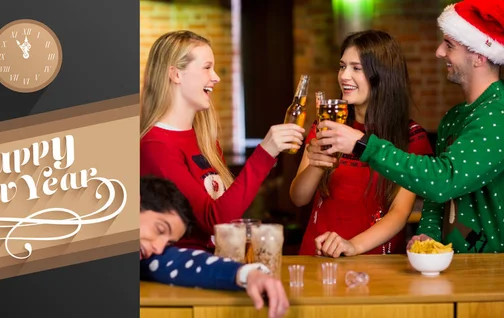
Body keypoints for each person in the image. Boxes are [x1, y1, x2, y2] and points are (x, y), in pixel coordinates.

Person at [313, 0, 504, 254]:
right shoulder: (454, 117)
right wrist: (427, 234)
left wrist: (362, 144)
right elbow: (437, 199)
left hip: (492, 274)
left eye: (449, 45)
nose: (439, 52)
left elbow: (443, 179)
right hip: (455, 269)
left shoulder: (498, 113)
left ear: (479, 56)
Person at [140, 30, 305, 252]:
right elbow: (214, 218)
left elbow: (226, 213)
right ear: (176, 74)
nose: (216, 77)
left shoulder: (205, 139)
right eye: (207, 67)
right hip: (186, 274)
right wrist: (265, 153)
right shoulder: (156, 146)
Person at [289, 30, 434, 258]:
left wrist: (352, 246)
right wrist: (317, 164)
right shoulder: (326, 124)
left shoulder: (410, 138)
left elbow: (399, 213)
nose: (344, 76)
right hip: (319, 256)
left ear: (383, 75)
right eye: (342, 66)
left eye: (357, 68)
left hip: (376, 265)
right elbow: (299, 198)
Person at [139, 175, 289, 318]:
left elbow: (185, 262)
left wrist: (250, 275)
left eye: (168, 243)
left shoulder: (147, 257)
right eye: (160, 229)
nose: (158, 248)